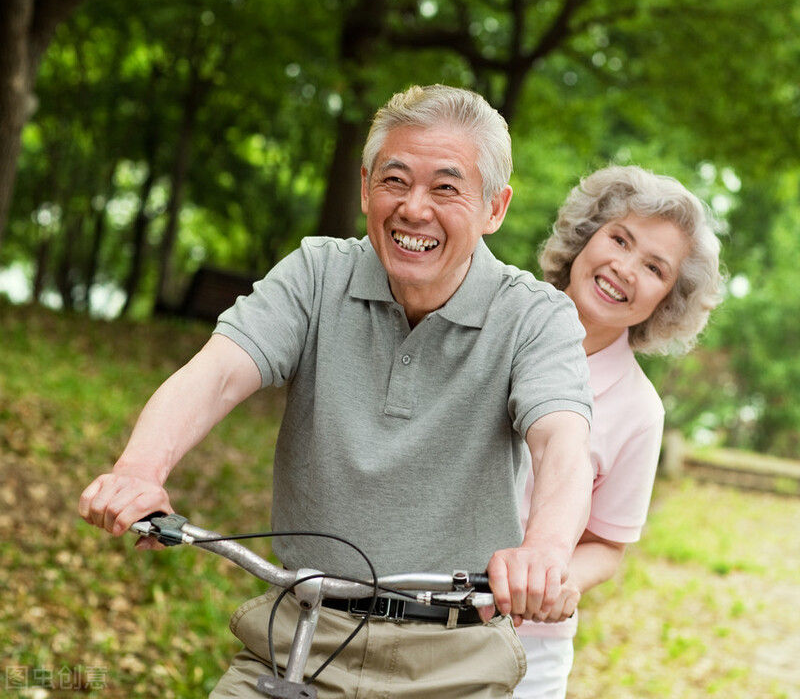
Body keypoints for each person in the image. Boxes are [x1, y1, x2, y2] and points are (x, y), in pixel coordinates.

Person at [78, 85, 594, 699]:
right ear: (364, 187)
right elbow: (214, 374)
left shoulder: (536, 317)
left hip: (454, 659)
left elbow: (562, 439)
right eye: (394, 180)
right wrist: (140, 468)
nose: (414, 209)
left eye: (447, 188)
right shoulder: (318, 273)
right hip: (298, 633)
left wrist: (546, 548)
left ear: (495, 207)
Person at [513, 165, 724, 698]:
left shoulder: (639, 410)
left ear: (667, 301)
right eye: (619, 239)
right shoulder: (492, 319)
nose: (624, 268)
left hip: (523, 649)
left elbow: (607, 545)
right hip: (405, 611)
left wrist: (559, 580)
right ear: (585, 239)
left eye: (654, 267)